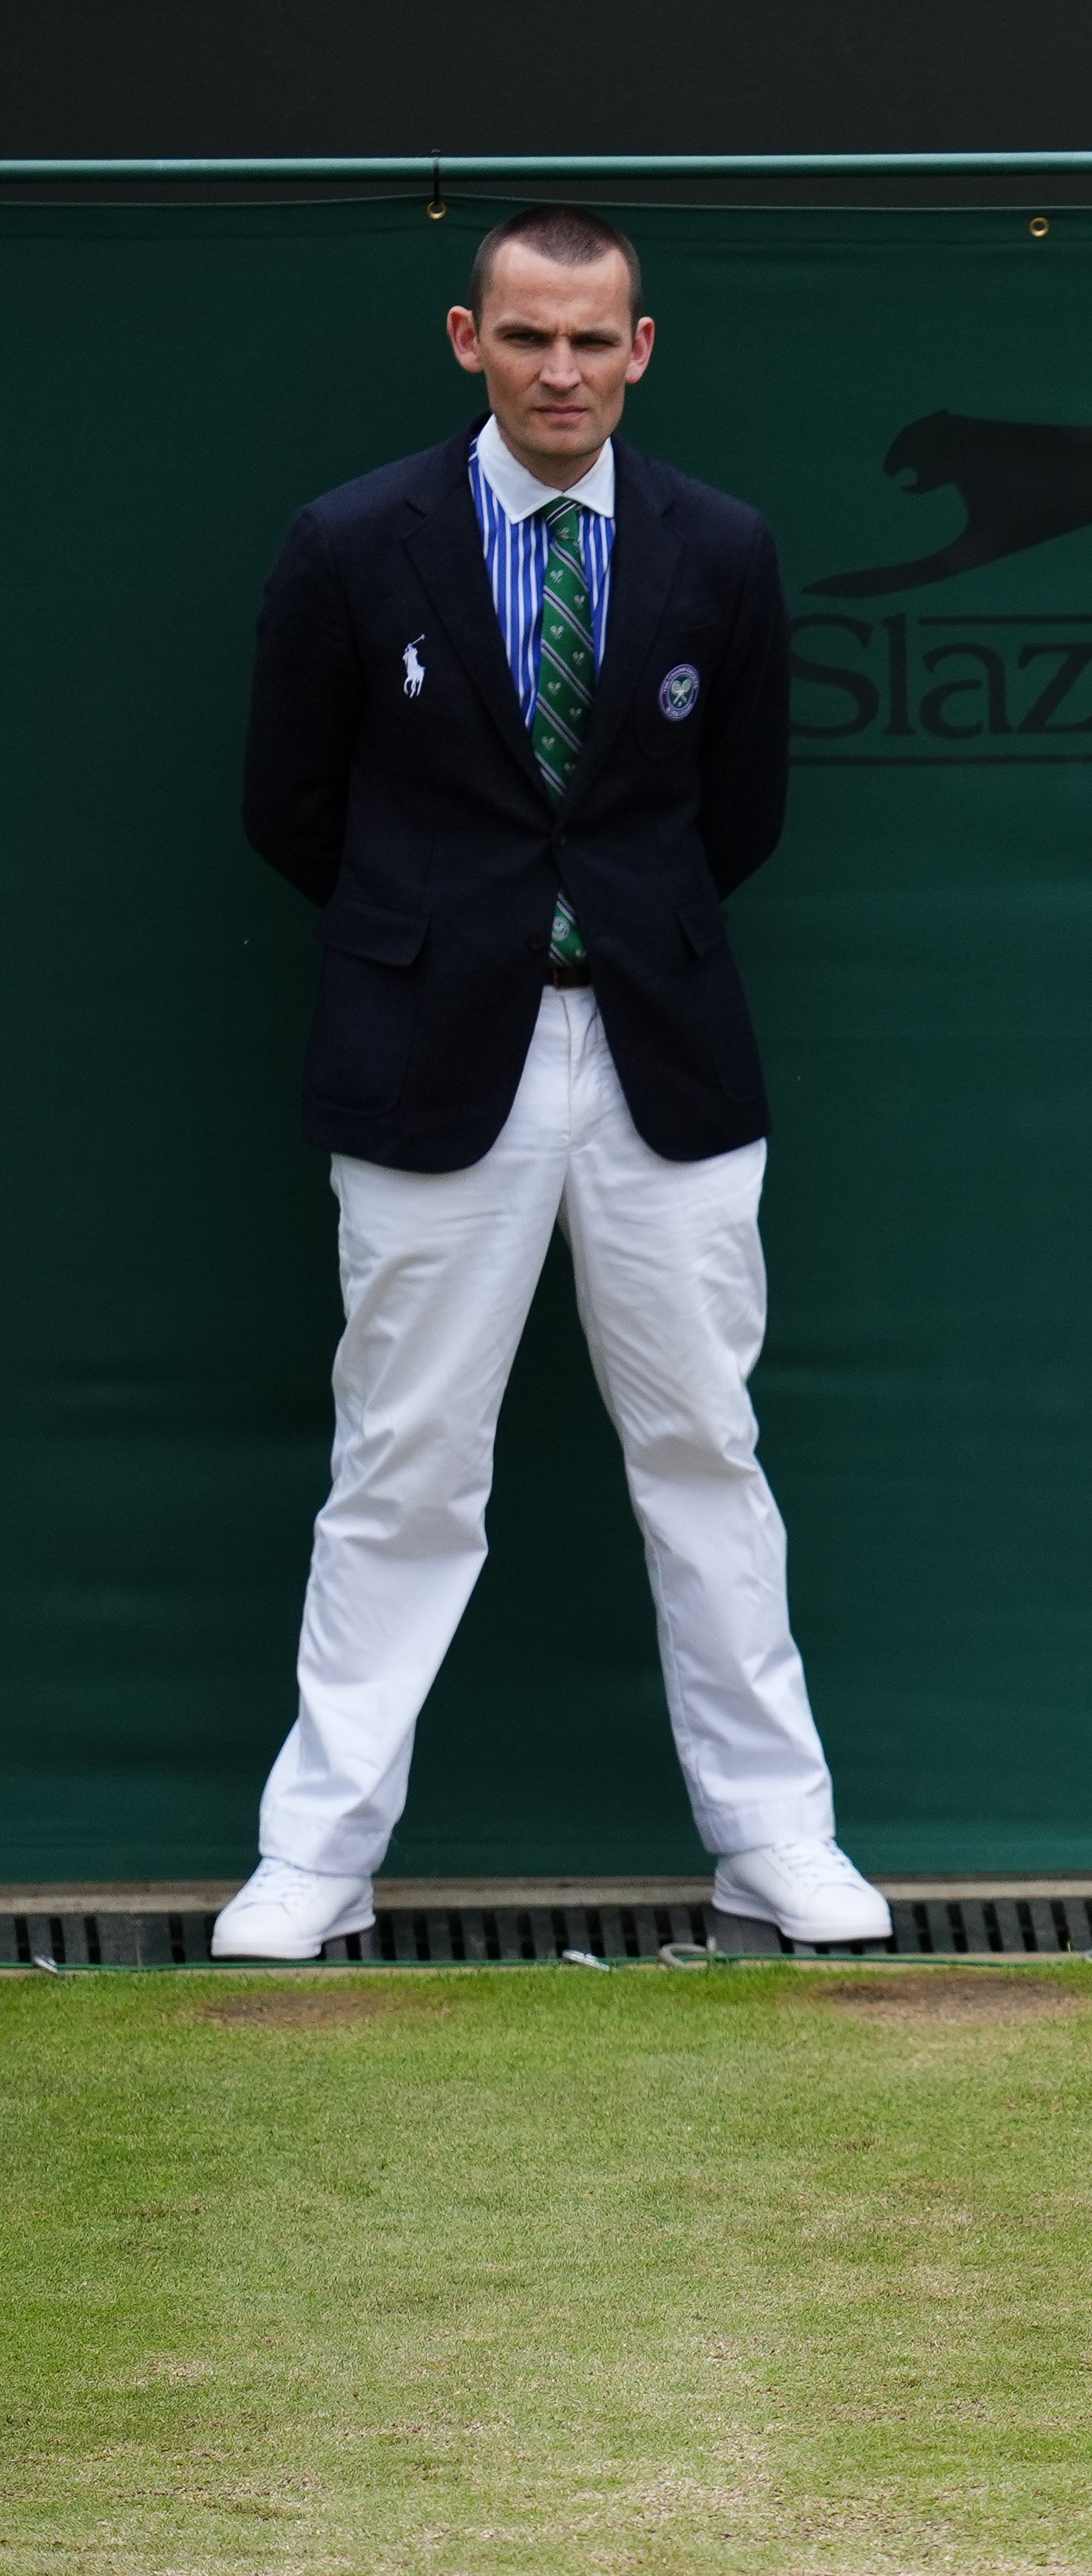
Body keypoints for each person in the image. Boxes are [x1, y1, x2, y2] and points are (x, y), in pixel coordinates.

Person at [215, 208, 886, 1959]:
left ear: (641, 350)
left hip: (661, 1057)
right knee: (405, 1461)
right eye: (529, 339)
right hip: (430, 1055)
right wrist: (451, 940)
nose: (562, 372)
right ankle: (319, 1861)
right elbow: (290, 808)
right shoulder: (353, 543)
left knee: (703, 1450)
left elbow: (737, 817)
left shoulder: (719, 548)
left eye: (594, 341)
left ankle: (775, 1843)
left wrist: (602, 939)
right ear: (468, 338)